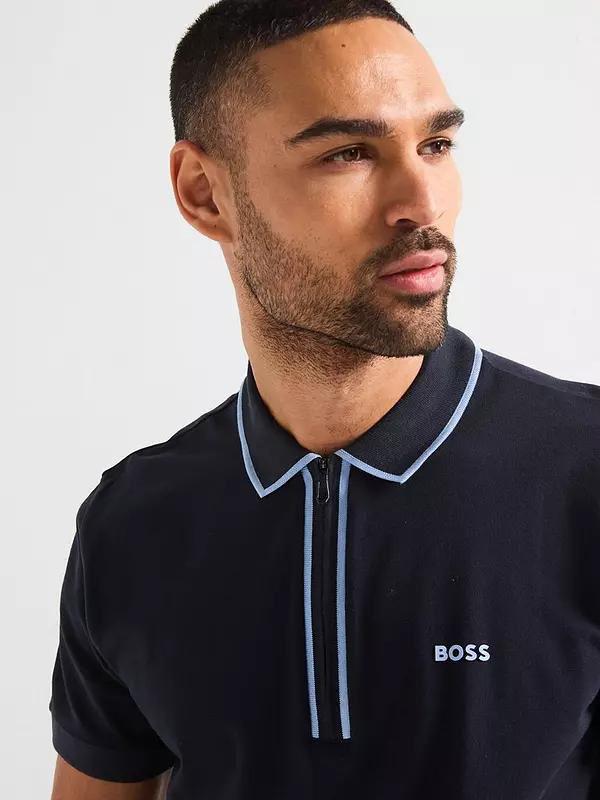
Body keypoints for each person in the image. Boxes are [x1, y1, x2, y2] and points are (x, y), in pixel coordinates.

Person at [48, 1, 600, 798]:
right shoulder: (130, 524)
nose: (423, 204)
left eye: (436, 145)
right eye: (349, 153)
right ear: (204, 194)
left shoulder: (585, 474)